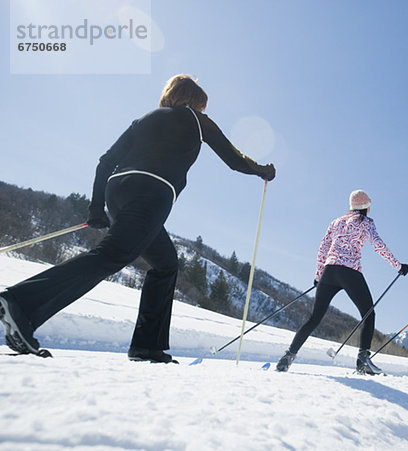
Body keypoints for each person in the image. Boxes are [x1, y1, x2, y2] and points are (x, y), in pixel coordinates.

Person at [0, 74, 275, 363]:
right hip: (152, 192)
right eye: (201, 106)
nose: (202, 112)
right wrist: (262, 171)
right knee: (112, 254)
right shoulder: (195, 119)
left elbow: (106, 160)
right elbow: (234, 159)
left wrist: (96, 208)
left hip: (117, 190)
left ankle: (147, 346)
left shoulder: (144, 119)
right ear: (194, 101)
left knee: (166, 264)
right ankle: (21, 303)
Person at [276, 190, 408, 375]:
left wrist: (318, 276)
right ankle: (363, 361)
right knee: (368, 314)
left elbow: (323, 248)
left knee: (314, 318)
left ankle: (287, 357)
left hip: (329, 272)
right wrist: (398, 265)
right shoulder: (366, 222)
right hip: (349, 271)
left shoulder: (336, 222)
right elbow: (378, 245)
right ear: (365, 206)